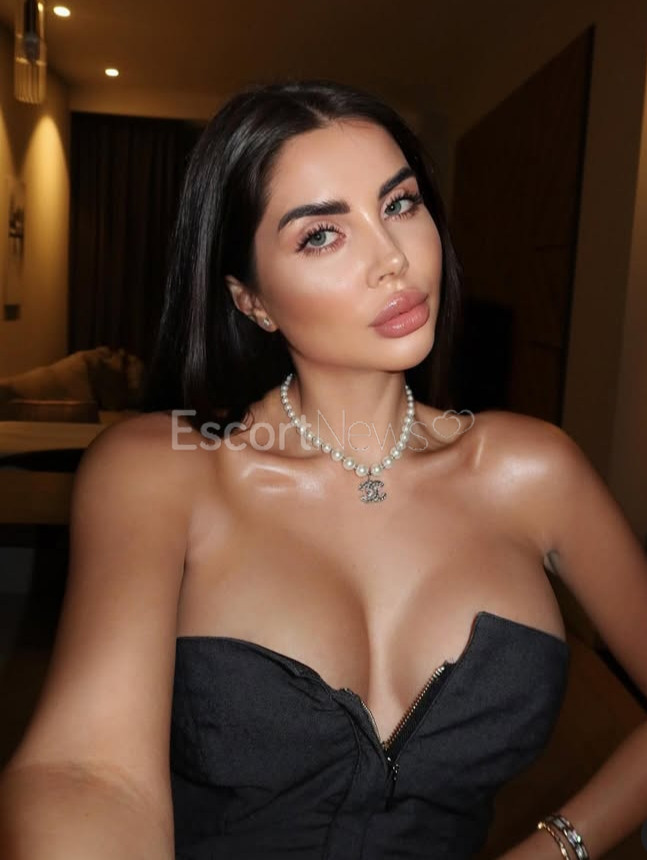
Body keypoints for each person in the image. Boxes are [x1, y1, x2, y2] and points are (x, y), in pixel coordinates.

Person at [1, 79, 647, 860]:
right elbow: (87, 774)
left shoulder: (534, 470)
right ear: (250, 300)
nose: (392, 259)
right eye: (320, 235)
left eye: (399, 204)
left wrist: (557, 847)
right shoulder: (160, 472)